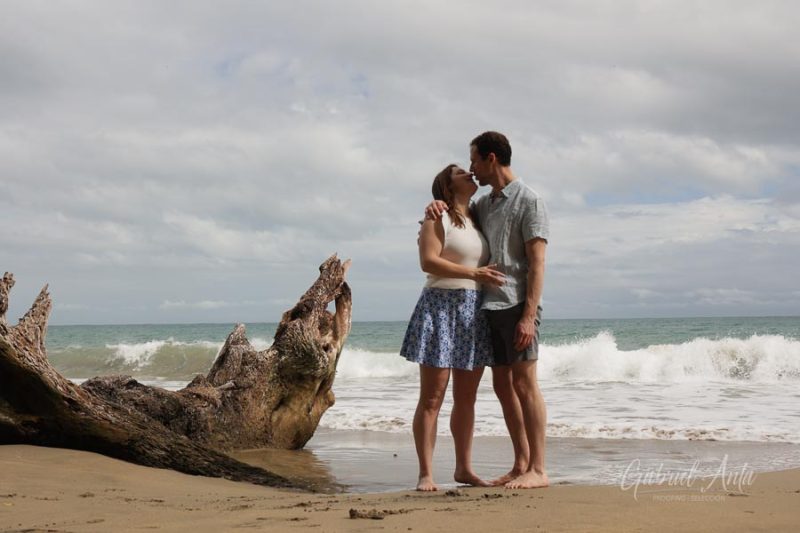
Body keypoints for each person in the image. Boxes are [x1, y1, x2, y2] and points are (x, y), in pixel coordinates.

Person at [426, 131, 550, 489]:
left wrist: (529, 316)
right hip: (488, 306)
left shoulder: (530, 201)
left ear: (491, 158)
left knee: (525, 383)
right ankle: (521, 463)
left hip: (516, 304)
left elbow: (537, 264)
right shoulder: (484, 204)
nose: (472, 169)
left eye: (475, 161)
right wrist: (434, 206)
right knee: (503, 387)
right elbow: (456, 218)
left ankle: (539, 469)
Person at [400, 163, 506, 492]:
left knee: (466, 397)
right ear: (447, 186)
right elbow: (428, 262)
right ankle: (426, 474)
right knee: (432, 397)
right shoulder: (437, 216)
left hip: (472, 309)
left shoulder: (477, 217)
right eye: (460, 171)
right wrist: (476, 274)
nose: (469, 173)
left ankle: (464, 469)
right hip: (440, 306)